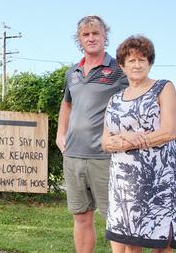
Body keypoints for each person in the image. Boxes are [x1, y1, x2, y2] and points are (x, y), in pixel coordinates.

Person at [101, 35, 176, 252]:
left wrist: (127, 141)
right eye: (131, 61)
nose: (137, 65)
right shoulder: (115, 99)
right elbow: (105, 142)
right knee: (129, 239)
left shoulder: (164, 88)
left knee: (161, 240)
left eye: (142, 60)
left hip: (159, 178)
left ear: (149, 63)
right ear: (122, 65)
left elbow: (168, 131)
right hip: (124, 181)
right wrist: (124, 140)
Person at [55, 15, 128, 253]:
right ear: (79, 40)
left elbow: (134, 100)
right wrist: (60, 135)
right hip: (74, 156)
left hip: (105, 157)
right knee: (81, 217)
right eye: (85, 35)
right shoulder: (72, 72)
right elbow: (67, 104)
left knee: (116, 221)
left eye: (95, 33)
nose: (91, 38)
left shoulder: (119, 69)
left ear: (105, 37)